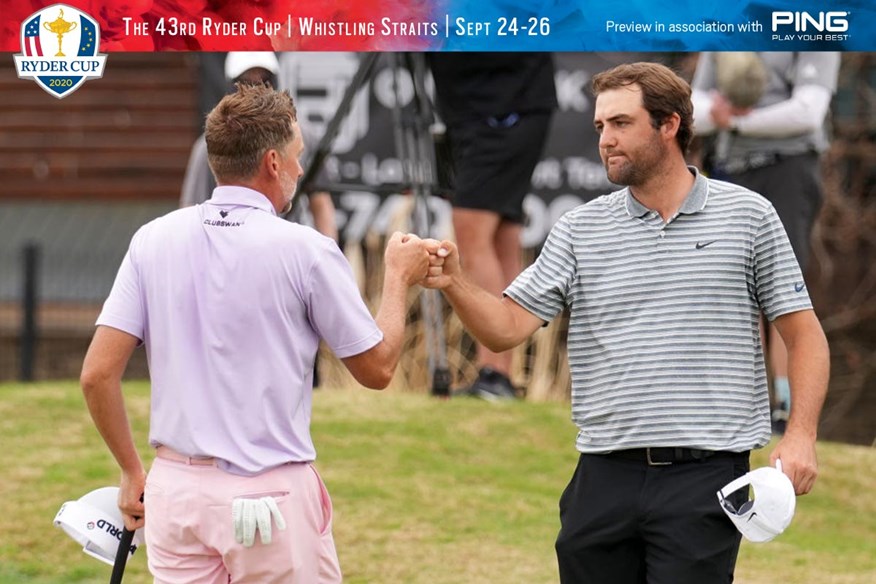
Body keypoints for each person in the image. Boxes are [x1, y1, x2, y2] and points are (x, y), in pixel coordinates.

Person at [422, 62, 830, 583]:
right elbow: (505, 326)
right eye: (599, 127)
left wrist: (800, 434)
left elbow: (804, 335)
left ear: (669, 125)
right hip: (601, 477)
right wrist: (454, 282)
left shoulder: (749, 216)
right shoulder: (579, 229)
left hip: (704, 477)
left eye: (620, 123)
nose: (606, 140)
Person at [80, 83, 431, 582]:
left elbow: (96, 375)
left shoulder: (151, 239)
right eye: (296, 156)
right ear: (272, 162)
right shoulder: (305, 250)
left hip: (174, 492)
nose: (300, 169)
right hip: (269, 501)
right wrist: (397, 277)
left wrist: (131, 470)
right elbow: (377, 369)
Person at [691, 52, 840, 432]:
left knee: (783, 295)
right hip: (730, 171)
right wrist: (718, 116)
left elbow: (807, 111)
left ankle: (787, 409)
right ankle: (739, 405)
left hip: (786, 168)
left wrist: (738, 122)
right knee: (729, 292)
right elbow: (696, 103)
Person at [426, 53, 557, 400]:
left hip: (504, 105)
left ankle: (494, 371)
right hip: (484, 106)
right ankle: (498, 374)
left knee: (472, 225)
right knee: (502, 233)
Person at [181, 51, 338, 241]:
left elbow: (320, 202)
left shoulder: (299, 133)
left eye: (264, 81)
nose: (256, 91)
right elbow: (190, 209)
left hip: (286, 246)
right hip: (231, 248)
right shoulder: (209, 145)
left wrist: (329, 254)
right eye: (247, 83)